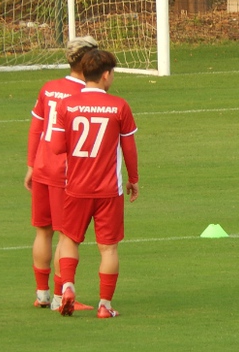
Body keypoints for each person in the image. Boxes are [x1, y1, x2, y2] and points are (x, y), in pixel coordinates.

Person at [51, 49, 140, 318]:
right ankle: (105, 305)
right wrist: (134, 180)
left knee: (68, 239)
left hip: (76, 187)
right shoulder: (119, 106)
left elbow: (56, 147)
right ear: (105, 75)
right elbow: (129, 148)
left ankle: (67, 287)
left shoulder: (67, 105)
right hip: (109, 190)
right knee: (109, 248)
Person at [24, 36, 98, 311]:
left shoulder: (49, 88)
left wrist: (31, 165)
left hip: (42, 167)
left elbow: (36, 128)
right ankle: (59, 297)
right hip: (67, 173)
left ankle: (42, 294)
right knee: (67, 235)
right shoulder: (84, 96)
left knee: (42, 232)